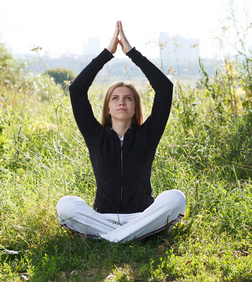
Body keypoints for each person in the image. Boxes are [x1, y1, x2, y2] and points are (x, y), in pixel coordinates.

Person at [56, 21, 186, 243]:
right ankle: (131, 236)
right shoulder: (95, 135)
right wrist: (108, 53)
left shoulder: (148, 135)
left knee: (176, 198)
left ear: (136, 107)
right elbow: (77, 90)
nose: (121, 102)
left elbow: (165, 89)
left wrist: (131, 53)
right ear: (107, 107)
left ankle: (109, 239)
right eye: (115, 98)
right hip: (102, 217)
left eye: (128, 98)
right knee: (65, 205)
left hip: (142, 215)